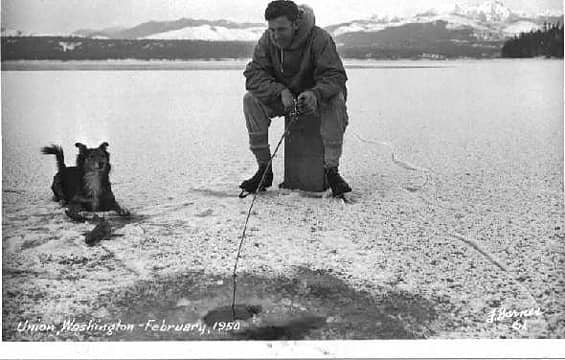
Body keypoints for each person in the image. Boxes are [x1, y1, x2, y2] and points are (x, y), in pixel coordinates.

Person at [240, 0, 351, 197]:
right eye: (272, 29)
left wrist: (315, 94)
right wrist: (279, 91)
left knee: (336, 101)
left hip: (315, 100)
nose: (275, 35)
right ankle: (264, 170)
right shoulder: (267, 40)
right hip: (284, 99)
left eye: (281, 29)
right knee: (251, 100)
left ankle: (331, 171)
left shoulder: (320, 39)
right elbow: (253, 75)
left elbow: (335, 76)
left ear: (295, 24)